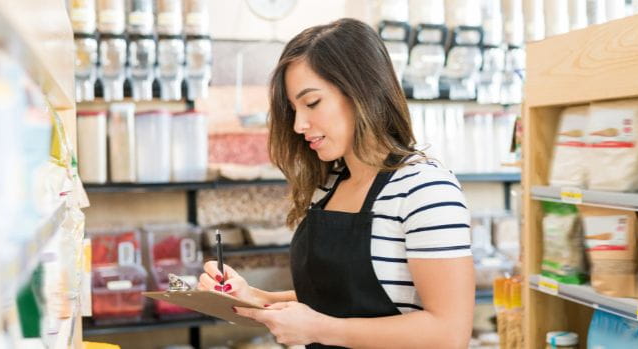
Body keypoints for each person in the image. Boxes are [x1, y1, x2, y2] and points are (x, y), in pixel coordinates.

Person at [198, 18, 474, 348]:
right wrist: (255, 298)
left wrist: (318, 330)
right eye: (293, 109)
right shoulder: (329, 185)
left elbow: (449, 333)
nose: (299, 124)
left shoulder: (424, 189)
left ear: (362, 90)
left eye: (312, 103)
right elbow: (338, 300)